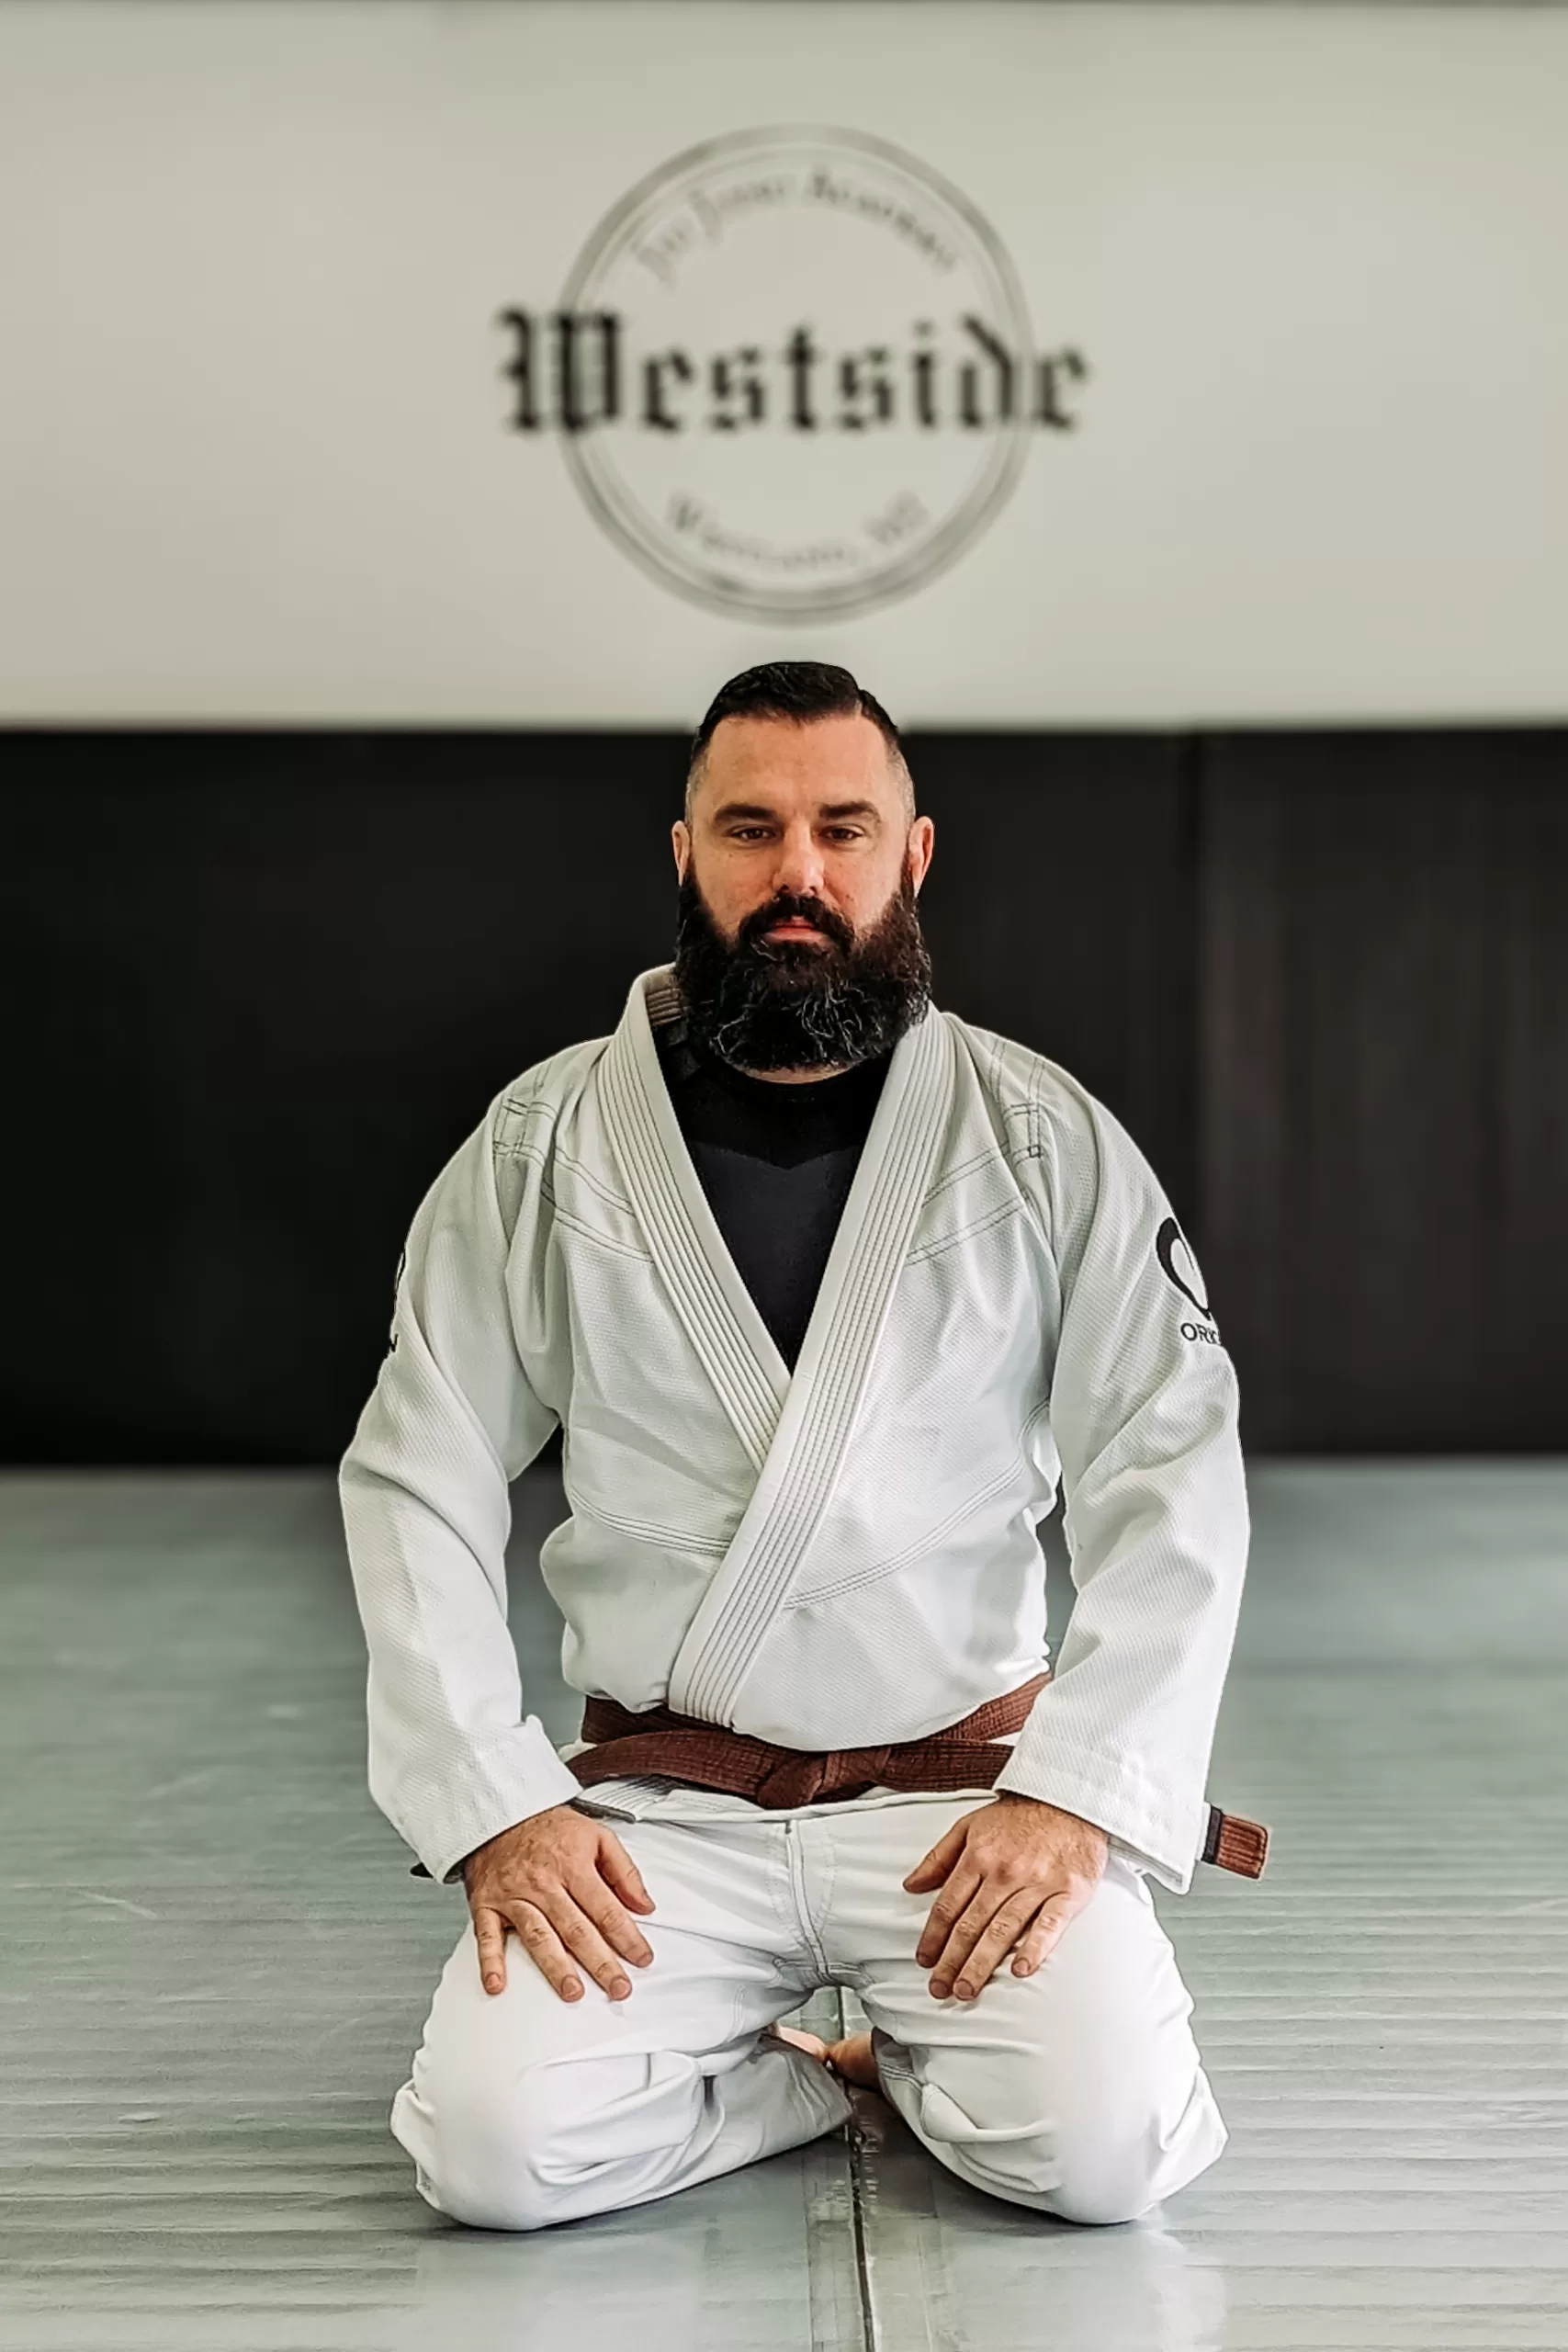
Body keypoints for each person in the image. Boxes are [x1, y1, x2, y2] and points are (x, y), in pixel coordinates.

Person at [339, 660, 1261, 2235]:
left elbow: (1169, 1469)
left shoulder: (1040, 1138)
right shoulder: (539, 1143)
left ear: (911, 854)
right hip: (661, 1811)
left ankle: (897, 2052)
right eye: (750, 829)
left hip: (960, 1798)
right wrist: (495, 1800)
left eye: (842, 827)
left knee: (1105, 2158)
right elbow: (413, 1478)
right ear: (683, 853)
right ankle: (807, 2080)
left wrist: (1073, 1797)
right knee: (492, 2157)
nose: (798, 874)